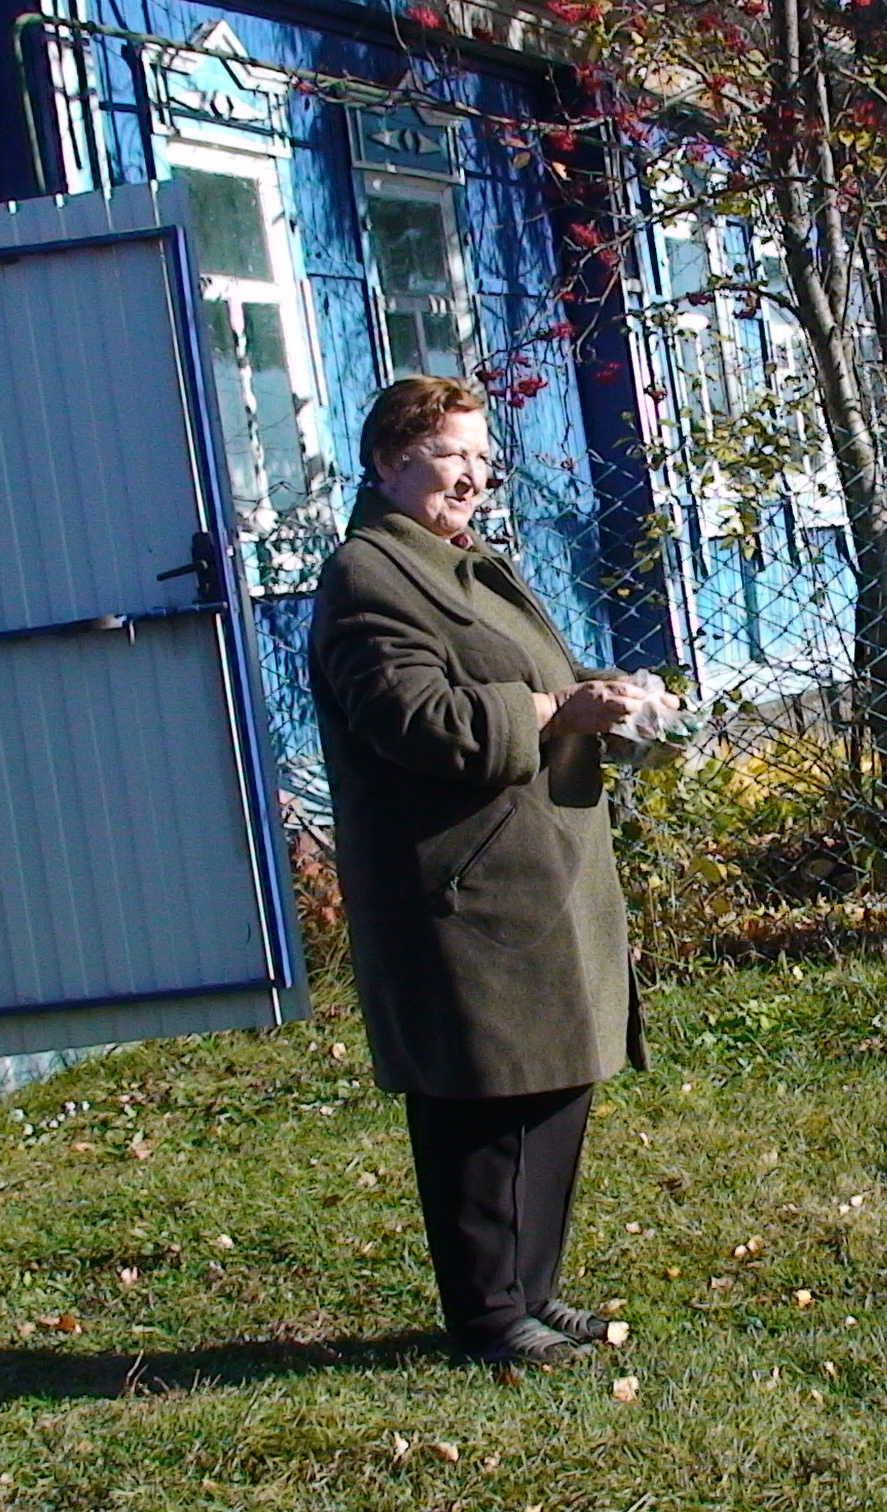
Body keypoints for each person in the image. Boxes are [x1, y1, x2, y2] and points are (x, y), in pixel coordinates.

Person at [307, 376, 665, 1368]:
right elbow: (416, 722)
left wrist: (603, 693)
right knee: (484, 1101)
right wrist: (556, 714)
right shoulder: (370, 576)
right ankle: (488, 1314)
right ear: (389, 460)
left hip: (534, 877)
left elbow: (529, 680)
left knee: (552, 1085)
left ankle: (530, 1293)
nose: (472, 475)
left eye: (481, 457)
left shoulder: (467, 565)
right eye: (449, 454)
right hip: (461, 888)